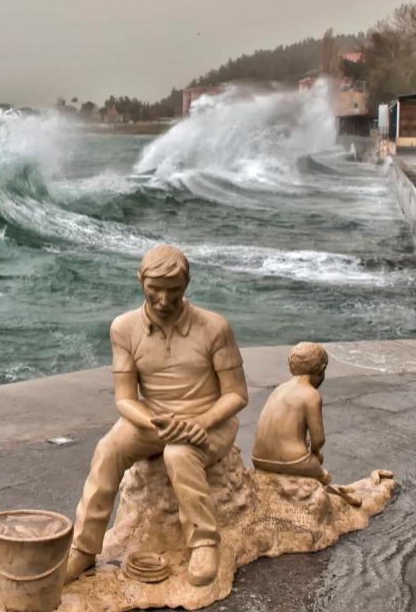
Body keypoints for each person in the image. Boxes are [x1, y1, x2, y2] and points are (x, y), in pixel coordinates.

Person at [66, 244, 248, 587]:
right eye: (155, 291)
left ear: (187, 285)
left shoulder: (214, 327)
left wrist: (200, 423)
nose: (164, 300)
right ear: (140, 282)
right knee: (107, 449)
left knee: (179, 454)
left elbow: (237, 394)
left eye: (174, 291)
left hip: (209, 421)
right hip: (152, 420)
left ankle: (204, 542)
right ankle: (84, 547)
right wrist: (154, 423)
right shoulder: (124, 328)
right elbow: (124, 399)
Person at [251, 342, 360, 505]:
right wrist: (315, 452)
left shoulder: (279, 388)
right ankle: (334, 494)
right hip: (292, 461)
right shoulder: (311, 395)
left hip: (258, 458)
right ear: (321, 370)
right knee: (320, 471)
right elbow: (319, 440)